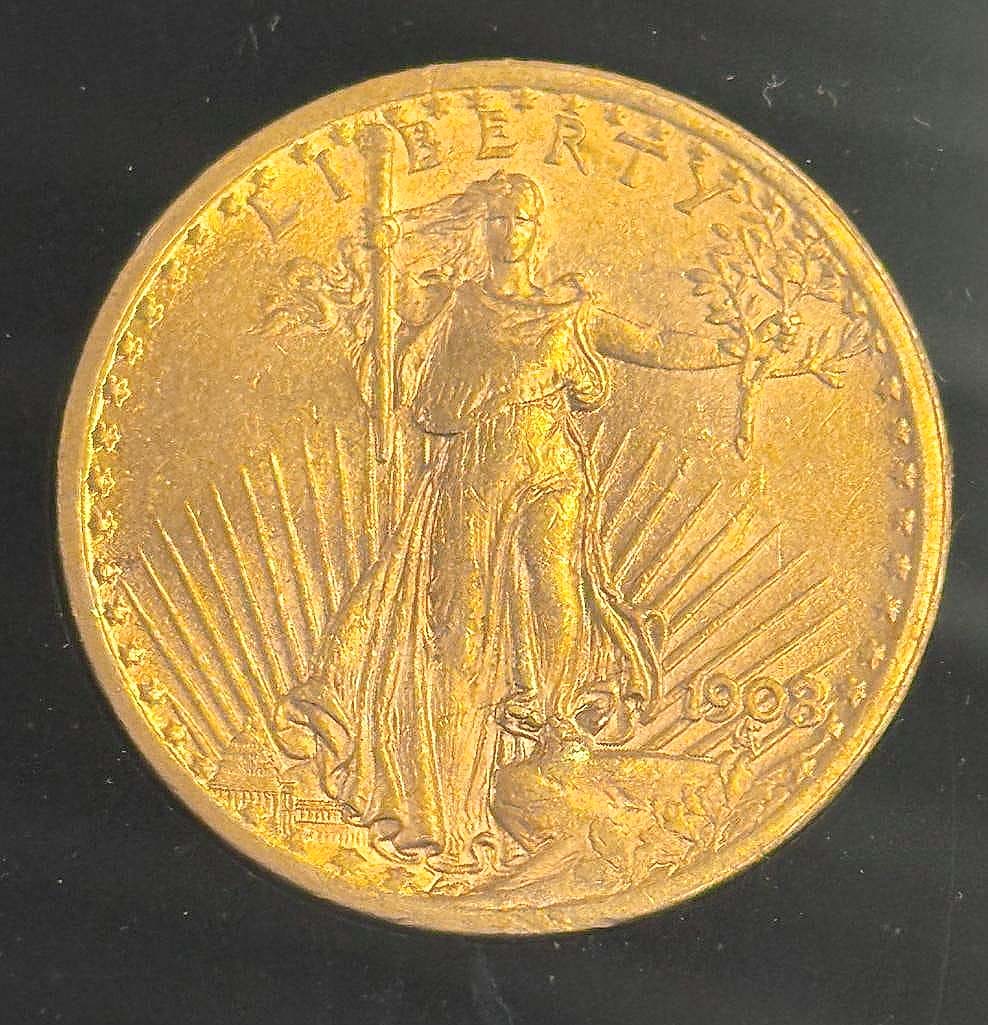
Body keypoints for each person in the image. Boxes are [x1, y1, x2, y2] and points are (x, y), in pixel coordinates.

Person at [275, 170, 726, 877]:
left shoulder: (569, 313)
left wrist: (741, 346)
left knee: (558, 589)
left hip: (554, 466)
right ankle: (451, 798)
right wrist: (383, 266)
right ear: (479, 230)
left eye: (521, 219)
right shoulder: (456, 307)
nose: (510, 231)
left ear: (537, 230)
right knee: (463, 624)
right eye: (498, 219)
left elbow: (657, 344)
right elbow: (395, 375)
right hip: (477, 473)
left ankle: (551, 724)